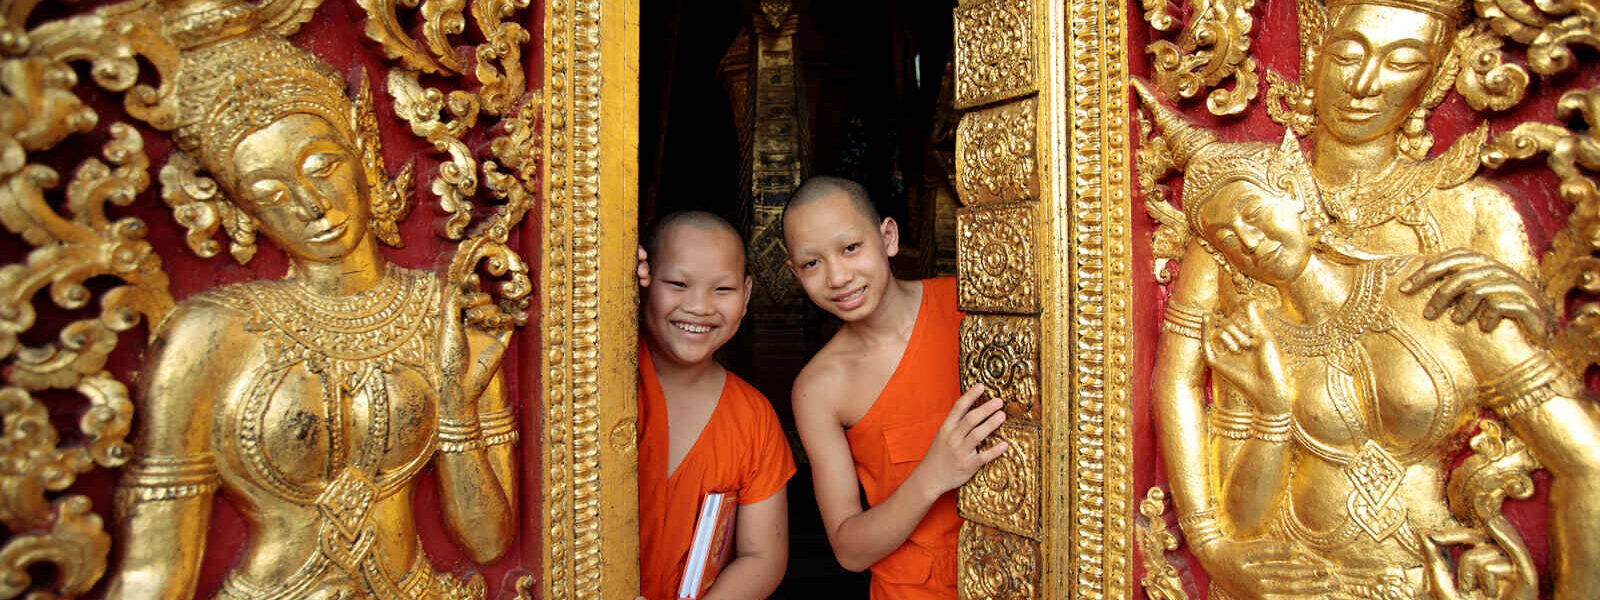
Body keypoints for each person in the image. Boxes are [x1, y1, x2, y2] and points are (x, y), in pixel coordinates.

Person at [105, 25, 515, 600]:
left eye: (322, 166)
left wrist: (454, 413)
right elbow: (153, 573)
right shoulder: (209, 334)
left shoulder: (445, 313)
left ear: (364, 154)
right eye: (269, 194)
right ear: (238, 209)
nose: (310, 205)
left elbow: (490, 543)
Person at [1182, 132, 1600, 598]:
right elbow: (1241, 520)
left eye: (1255, 215)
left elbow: (1587, 461)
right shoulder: (1251, 341)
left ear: (1296, 192)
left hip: (1429, 579)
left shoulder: (1431, 293)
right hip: (1300, 583)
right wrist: (1274, 409)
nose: (1251, 241)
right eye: (1227, 238)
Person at [781, 176, 1007, 600]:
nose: (837, 276)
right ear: (795, 272)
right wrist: (933, 475)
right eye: (812, 263)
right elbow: (849, 550)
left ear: (887, 237)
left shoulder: (971, 306)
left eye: (850, 248)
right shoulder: (820, 388)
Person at [634, 211, 795, 600]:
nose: (700, 307)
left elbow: (763, 558)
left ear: (747, 296)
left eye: (722, 290)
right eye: (677, 283)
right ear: (643, 280)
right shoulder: (592, 382)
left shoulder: (753, 418)